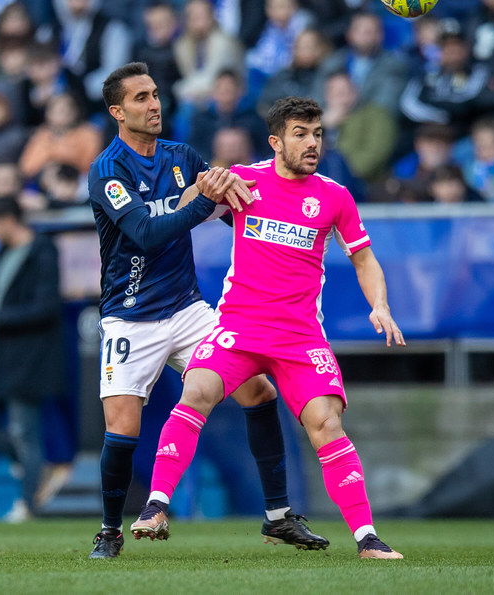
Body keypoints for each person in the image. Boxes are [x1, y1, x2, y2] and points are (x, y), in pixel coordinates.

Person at [129, 96, 406, 559]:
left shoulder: (335, 196)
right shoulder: (246, 182)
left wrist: (379, 304)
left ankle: (366, 539)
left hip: (299, 336)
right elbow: (180, 212)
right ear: (277, 141)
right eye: (301, 133)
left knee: (327, 424)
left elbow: (363, 257)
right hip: (239, 327)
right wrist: (202, 187)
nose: (312, 142)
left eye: (317, 133)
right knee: (195, 390)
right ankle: (156, 506)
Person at [86, 63, 323, 558]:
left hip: (188, 308)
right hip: (130, 314)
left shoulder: (181, 156)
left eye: (155, 94)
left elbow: (230, 209)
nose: (154, 105)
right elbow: (146, 234)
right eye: (141, 98)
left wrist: (249, 205)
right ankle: (109, 531)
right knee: (123, 425)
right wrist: (199, 202)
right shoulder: (107, 169)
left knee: (258, 391)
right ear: (117, 112)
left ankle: (278, 517)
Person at [0, 197, 68, 523]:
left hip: (28, 358)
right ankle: (41, 469)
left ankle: (28, 504)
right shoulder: (0, 255)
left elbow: (47, 308)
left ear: (7, 220)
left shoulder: (42, 252)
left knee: (23, 430)